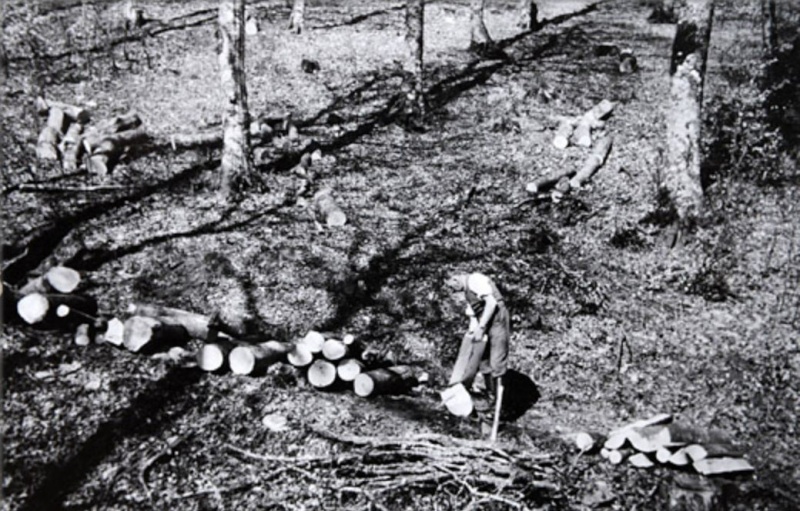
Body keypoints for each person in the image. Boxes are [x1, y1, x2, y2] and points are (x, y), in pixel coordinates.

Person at [445, 272, 510, 412]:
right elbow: (475, 314)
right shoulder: (468, 292)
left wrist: (481, 327)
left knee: (497, 361)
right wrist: (472, 332)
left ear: (456, 279)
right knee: (482, 359)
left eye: (452, 287)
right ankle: (490, 397)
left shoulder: (475, 279)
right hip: (484, 320)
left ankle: (500, 405)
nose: (453, 291)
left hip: (497, 319)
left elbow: (491, 304)